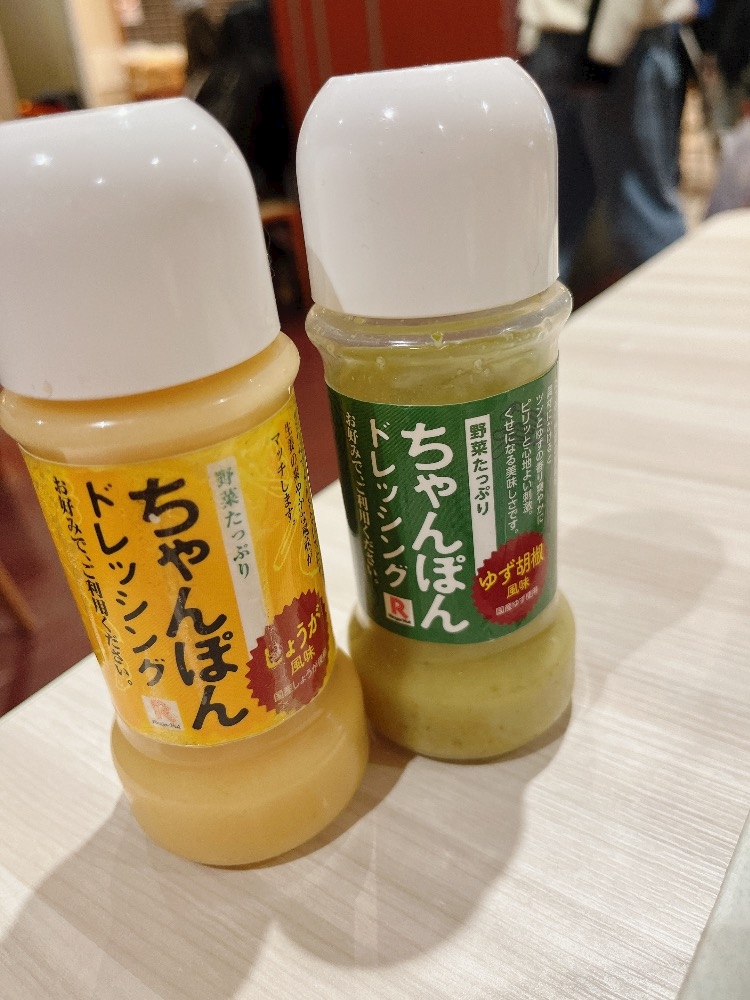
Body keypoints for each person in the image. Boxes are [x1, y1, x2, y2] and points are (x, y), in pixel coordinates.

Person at [517, 0, 697, 286]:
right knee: (549, 218)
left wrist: (604, 52)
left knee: (640, 212)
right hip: (555, 39)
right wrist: (531, 35)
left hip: (621, 46)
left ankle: (670, 305)